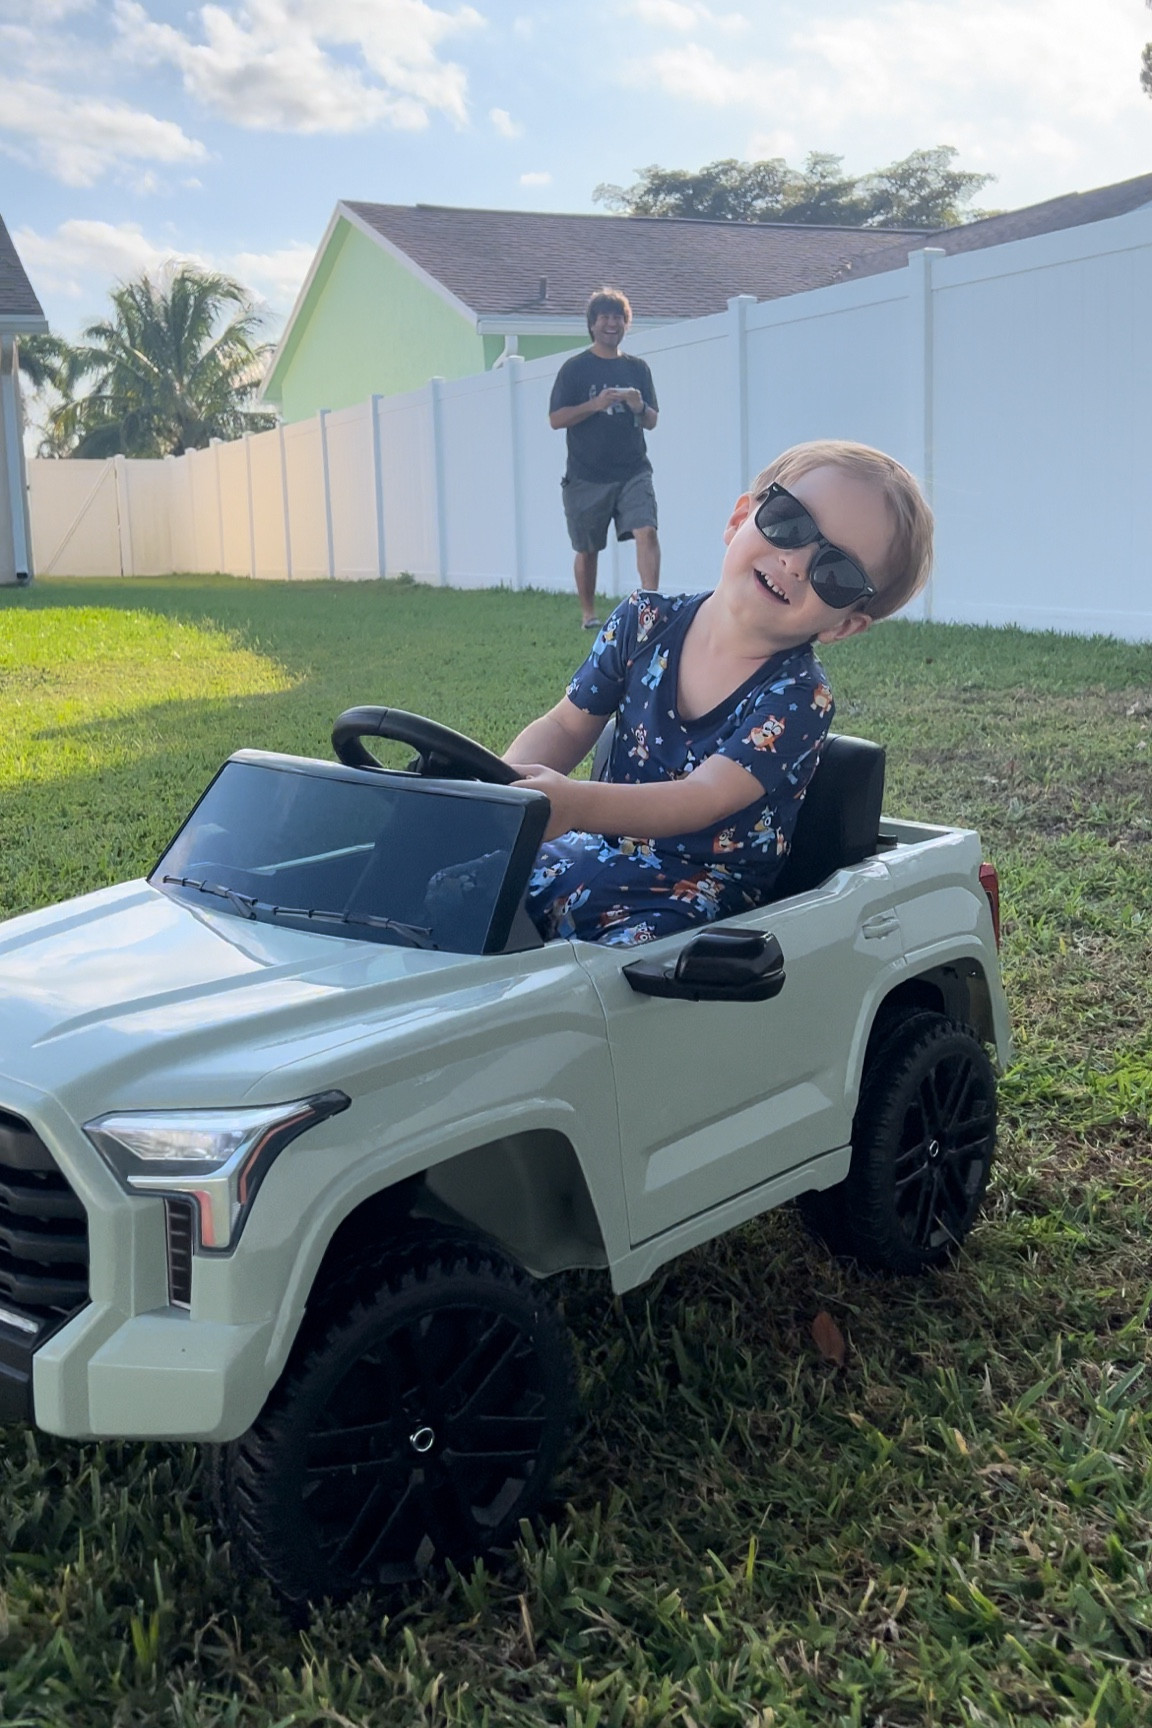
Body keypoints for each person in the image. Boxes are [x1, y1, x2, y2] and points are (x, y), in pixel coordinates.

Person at [504, 439, 933, 948]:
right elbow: (564, 727)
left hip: (693, 894)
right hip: (593, 852)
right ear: (739, 519)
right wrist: (495, 792)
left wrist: (575, 804)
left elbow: (701, 798)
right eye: (788, 522)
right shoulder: (642, 622)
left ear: (845, 625)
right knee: (462, 883)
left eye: (836, 573)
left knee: (618, 975)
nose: (795, 562)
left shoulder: (797, 698)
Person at [549, 287, 660, 630]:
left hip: (633, 471)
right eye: (605, 317)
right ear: (592, 325)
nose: (612, 324)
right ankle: (588, 615)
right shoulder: (575, 369)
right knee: (588, 549)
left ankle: (649, 609)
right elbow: (556, 419)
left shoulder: (637, 368)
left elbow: (652, 420)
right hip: (586, 476)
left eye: (618, 317)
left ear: (626, 324)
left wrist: (638, 405)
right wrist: (594, 406)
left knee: (647, 531)